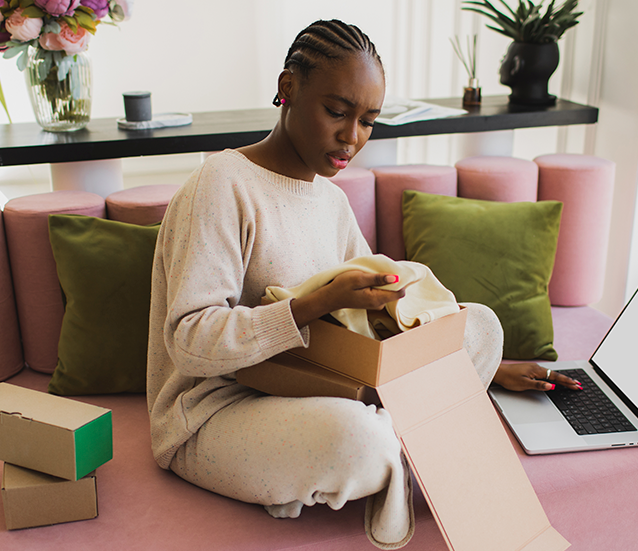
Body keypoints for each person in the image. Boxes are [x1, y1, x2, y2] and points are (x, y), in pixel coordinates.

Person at [146, 19, 580, 549]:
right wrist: (312, 305)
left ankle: (370, 448)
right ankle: (394, 451)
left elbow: (365, 332)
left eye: (369, 121)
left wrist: (469, 359)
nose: (352, 137)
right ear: (287, 90)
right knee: (361, 442)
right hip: (214, 411)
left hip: (319, 384)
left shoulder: (330, 202)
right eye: (336, 112)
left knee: (481, 327)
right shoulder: (222, 183)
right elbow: (189, 342)